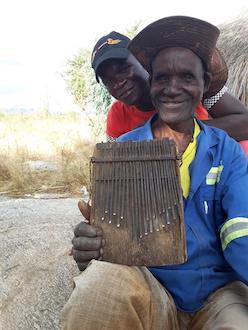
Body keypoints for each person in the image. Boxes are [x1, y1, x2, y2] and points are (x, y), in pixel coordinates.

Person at [62, 16, 248, 329]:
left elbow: (240, 229)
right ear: (153, 81)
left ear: (204, 86)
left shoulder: (226, 151)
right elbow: (117, 232)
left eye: (187, 78)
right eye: (163, 78)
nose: (173, 88)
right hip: (152, 287)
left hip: (218, 294)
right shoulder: (122, 145)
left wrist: (200, 134)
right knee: (98, 289)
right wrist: (95, 246)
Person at [91, 31, 248, 154]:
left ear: (142, 62)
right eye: (108, 80)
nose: (119, 82)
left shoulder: (188, 86)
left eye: (124, 69)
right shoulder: (118, 114)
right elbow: (113, 162)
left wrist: (188, 130)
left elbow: (245, 122)